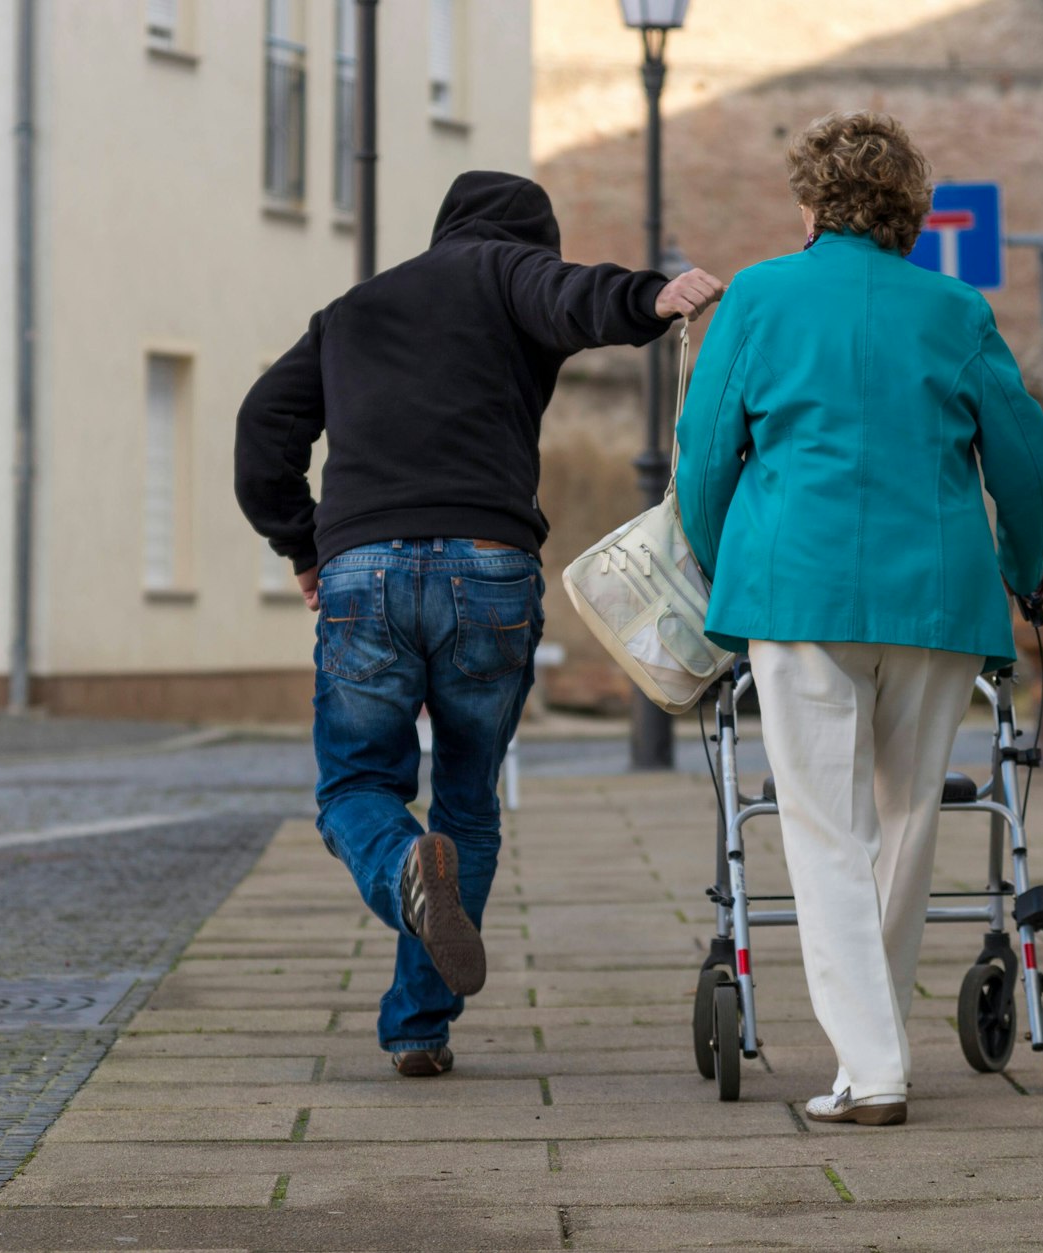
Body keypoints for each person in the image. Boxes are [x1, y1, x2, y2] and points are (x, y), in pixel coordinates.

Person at [236, 171, 724, 1077]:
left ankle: (402, 882)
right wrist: (650, 298)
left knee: (353, 789)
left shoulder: (352, 310)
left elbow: (264, 422)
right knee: (467, 798)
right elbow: (572, 296)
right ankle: (420, 1022)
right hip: (489, 569)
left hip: (365, 574)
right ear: (525, 242)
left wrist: (300, 544)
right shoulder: (510, 275)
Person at [674, 112, 1043, 1125]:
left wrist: (726, 572)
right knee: (905, 821)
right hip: (935, 596)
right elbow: (1022, 461)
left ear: (808, 203)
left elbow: (705, 455)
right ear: (912, 212)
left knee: (821, 828)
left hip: (794, 591)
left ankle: (873, 1064)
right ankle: (873, 1048)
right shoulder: (955, 307)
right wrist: (1026, 570)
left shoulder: (756, 296)